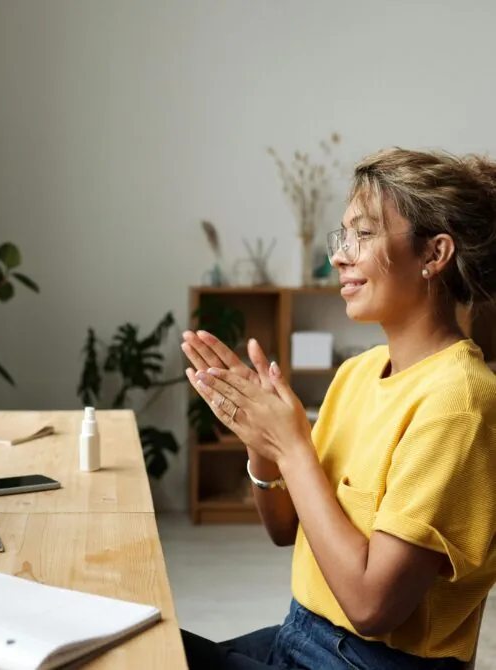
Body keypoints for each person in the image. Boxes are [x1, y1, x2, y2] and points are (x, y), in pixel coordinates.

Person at [180, 148, 496, 669]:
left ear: (433, 255)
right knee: (138, 642)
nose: (340, 257)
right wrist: (262, 447)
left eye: (364, 235)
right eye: (342, 237)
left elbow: (372, 606)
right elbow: (286, 528)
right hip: (302, 630)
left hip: (367, 660)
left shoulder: (459, 404)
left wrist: (292, 446)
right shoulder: (357, 373)